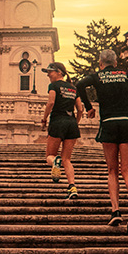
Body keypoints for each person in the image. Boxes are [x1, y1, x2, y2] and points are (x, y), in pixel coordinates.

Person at [75, 49, 128, 232]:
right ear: (115, 62)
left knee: (112, 170)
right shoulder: (124, 74)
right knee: (127, 169)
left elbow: (79, 85)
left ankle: (115, 212)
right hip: (127, 122)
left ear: (100, 63)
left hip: (108, 122)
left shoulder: (98, 76)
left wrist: (89, 107)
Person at [39, 61, 81, 199]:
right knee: (67, 159)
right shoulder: (73, 88)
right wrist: (76, 122)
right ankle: (72, 186)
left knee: (50, 156)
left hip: (57, 121)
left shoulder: (54, 86)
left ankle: (55, 162)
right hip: (71, 124)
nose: (48, 75)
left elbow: (51, 102)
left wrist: (44, 118)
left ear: (59, 72)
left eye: (50, 72)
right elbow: (80, 109)